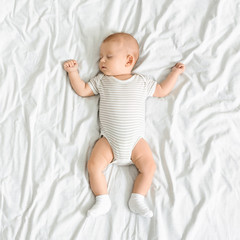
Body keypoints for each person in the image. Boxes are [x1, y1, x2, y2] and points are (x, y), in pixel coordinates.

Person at [63, 32, 185, 218]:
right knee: (94, 166)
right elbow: (83, 90)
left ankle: (138, 198)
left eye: (108, 57)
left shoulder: (141, 82)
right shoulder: (102, 81)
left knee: (149, 167)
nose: (101, 61)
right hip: (108, 141)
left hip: (136, 142)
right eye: (100, 57)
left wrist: (175, 73)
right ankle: (102, 199)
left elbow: (161, 91)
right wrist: (73, 73)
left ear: (129, 61)